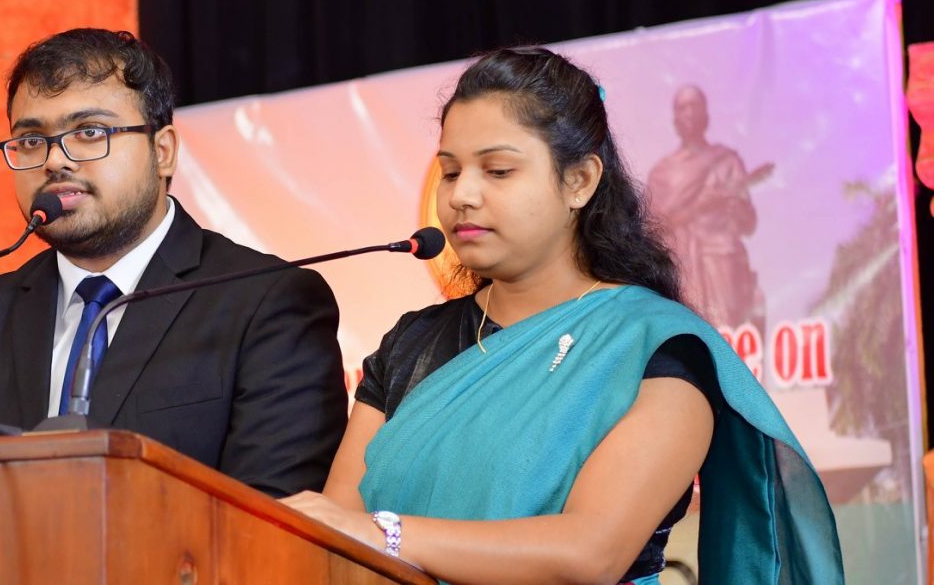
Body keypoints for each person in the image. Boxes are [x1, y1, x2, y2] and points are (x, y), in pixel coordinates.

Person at [281, 47, 841, 583]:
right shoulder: (413, 344)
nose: (461, 195)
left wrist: (386, 533)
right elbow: (336, 534)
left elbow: (589, 552)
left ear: (580, 181)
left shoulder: (660, 350)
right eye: (450, 172)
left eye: (498, 170)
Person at [0, 28, 348, 497]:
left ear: (163, 151)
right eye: (32, 140)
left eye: (89, 132)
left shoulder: (268, 302)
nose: (55, 161)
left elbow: (277, 518)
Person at [646, 85, 771, 331]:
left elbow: (748, 225)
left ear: (706, 114)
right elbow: (653, 232)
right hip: (682, 269)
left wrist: (735, 208)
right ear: (675, 118)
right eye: (683, 107)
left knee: (728, 332)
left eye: (695, 106)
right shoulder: (661, 173)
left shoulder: (727, 161)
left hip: (722, 262)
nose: (689, 113)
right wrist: (698, 207)